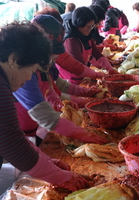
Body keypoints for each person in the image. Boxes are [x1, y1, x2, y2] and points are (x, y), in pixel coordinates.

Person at [0, 20, 89, 194]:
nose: (28, 79)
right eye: (32, 70)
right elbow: (14, 147)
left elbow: (10, 134)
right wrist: (63, 178)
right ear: (13, 59)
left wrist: (46, 160)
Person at [14, 15, 107, 145]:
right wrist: (81, 134)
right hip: (19, 130)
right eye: (51, 56)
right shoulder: (23, 71)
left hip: (33, 127)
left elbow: (51, 88)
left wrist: (61, 104)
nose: (55, 59)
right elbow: (42, 112)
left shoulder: (40, 65)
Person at [35, 7, 107, 84]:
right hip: (72, 78)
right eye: (89, 27)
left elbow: (57, 85)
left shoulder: (46, 62)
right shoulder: (31, 70)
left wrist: (97, 74)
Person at [62, 6, 118, 85]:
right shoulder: (71, 41)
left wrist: (110, 69)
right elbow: (79, 67)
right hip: (71, 79)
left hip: (83, 74)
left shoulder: (86, 34)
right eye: (88, 27)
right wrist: (97, 75)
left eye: (92, 26)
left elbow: (96, 54)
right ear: (79, 25)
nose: (91, 29)